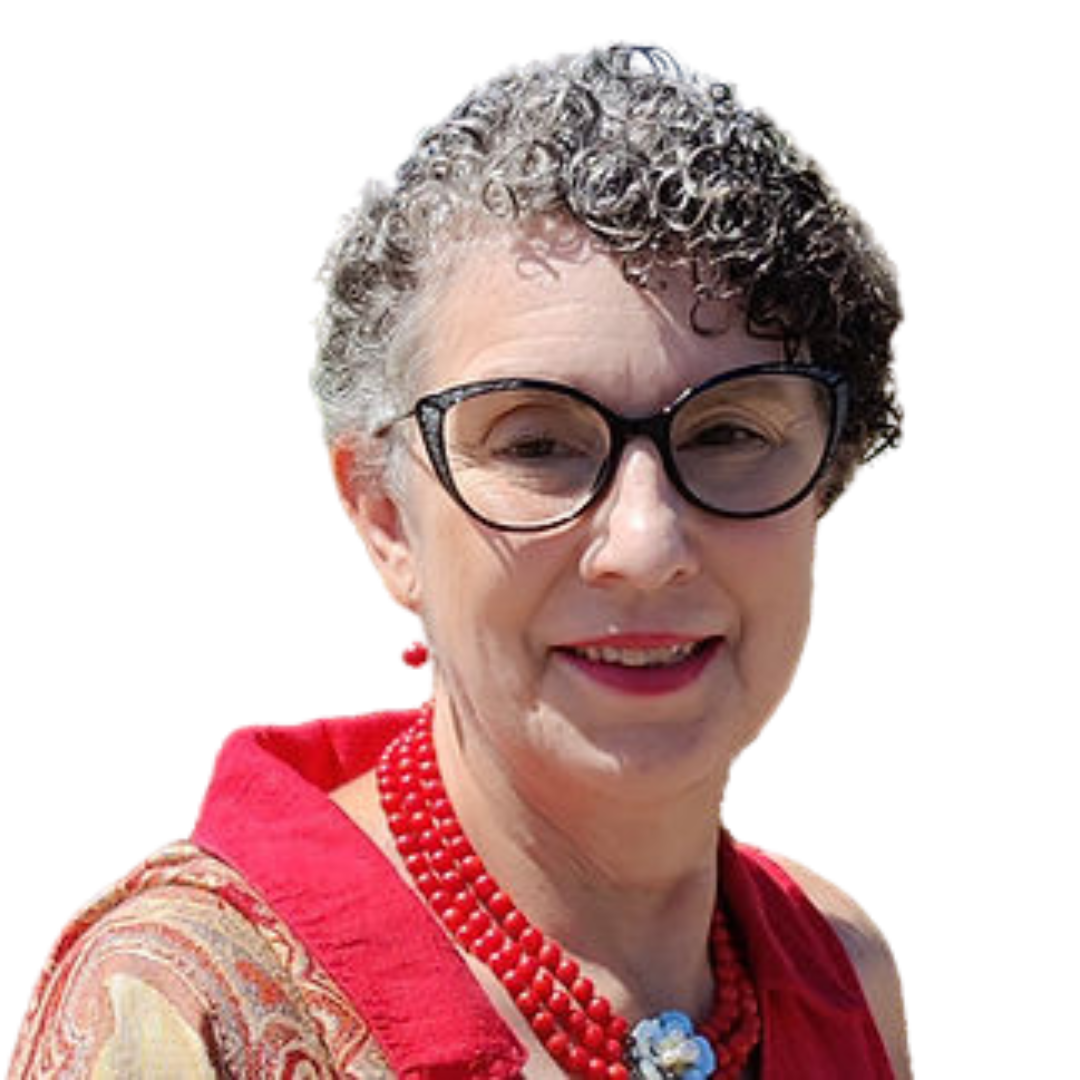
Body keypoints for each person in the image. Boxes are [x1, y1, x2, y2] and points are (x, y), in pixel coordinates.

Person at [10, 41, 910, 1078]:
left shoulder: (842, 979)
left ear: (829, 489)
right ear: (385, 518)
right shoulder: (183, 1012)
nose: (646, 545)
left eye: (729, 435)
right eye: (536, 444)